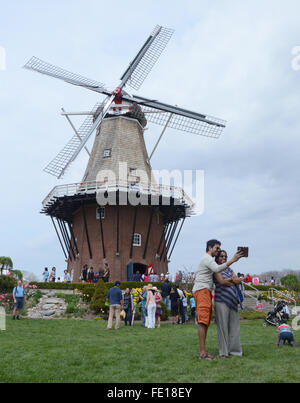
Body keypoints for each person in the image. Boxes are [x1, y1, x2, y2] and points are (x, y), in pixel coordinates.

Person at [193, 239, 244, 361]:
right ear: (210, 248)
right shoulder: (207, 259)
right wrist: (233, 259)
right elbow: (217, 271)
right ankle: (202, 353)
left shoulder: (209, 260)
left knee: (205, 322)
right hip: (202, 290)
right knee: (203, 321)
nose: (218, 251)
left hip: (206, 291)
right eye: (217, 248)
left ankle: (203, 352)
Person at [213, 250, 243, 359]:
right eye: (221, 256)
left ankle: (235, 351)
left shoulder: (229, 269)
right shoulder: (216, 268)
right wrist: (232, 280)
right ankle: (223, 352)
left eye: (225, 256)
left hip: (233, 301)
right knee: (222, 327)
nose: (224, 258)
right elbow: (222, 282)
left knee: (235, 327)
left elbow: (238, 280)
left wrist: (232, 280)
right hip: (221, 300)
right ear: (217, 258)